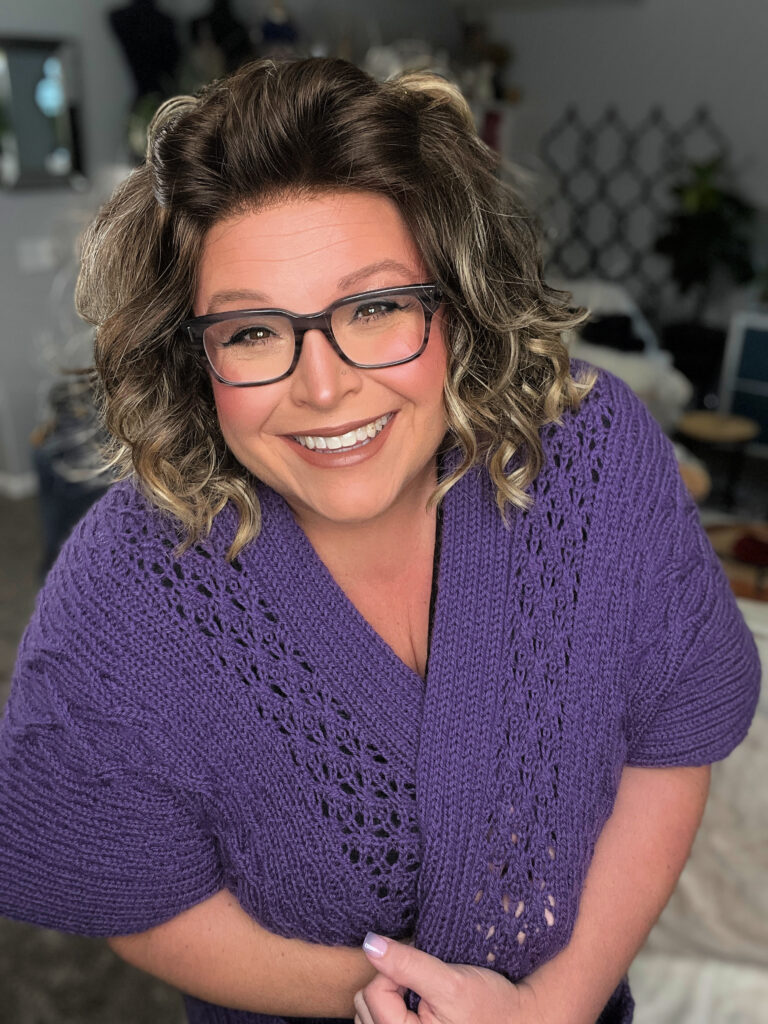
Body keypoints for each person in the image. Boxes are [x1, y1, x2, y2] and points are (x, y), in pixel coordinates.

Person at [0, 57, 760, 1024]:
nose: (324, 388)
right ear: (195, 359)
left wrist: (548, 1009)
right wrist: (401, 999)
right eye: (252, 332)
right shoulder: (127, 587)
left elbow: (671, 739)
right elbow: (138, 892)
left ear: (457, 304)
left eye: (374, 308)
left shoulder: (593, 457)